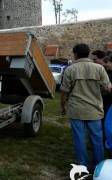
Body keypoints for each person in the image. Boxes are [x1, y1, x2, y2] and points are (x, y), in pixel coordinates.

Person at [60, 43, 111, 171]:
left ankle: (82, 165)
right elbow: (108, 88)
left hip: (76, 110)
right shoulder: (99, 68)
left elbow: (64, 91)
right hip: (94, 110)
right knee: (97, 139)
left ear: (75, 54)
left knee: (79, 139)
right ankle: (99, 166)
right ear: (88, 53)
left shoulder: (70, 69)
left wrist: (63, 106)